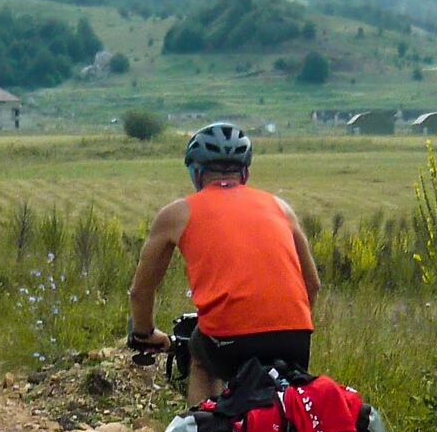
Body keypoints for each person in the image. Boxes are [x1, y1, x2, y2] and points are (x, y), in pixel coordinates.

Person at [128, 121, 322, 403]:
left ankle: (203, 425)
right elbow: (312, 284)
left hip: (228, 340)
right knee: (286, 403)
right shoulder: (281, 208)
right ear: (245, 172)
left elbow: (141, 291)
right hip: (295, 337)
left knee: (200, 355)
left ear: (196, 172)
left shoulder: (178, 213)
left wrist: (144, 333)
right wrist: (284, 327)